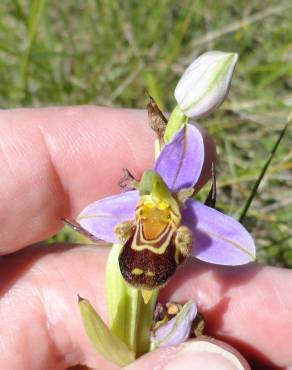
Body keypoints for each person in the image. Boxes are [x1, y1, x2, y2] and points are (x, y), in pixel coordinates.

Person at [0, 106, 291, 370]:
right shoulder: (135, 209)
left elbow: (237, 245)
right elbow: (96, 218)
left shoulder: (189, 216)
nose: (154, 218)